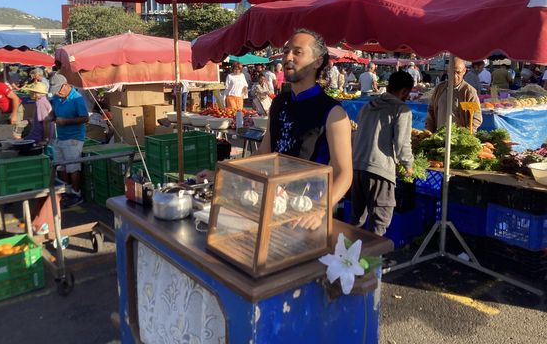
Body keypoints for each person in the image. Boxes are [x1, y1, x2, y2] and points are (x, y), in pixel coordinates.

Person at [198, 29, 353, 230]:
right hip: (275, 201)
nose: (288, 57)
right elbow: (264, 153)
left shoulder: (334, 112)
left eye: (298, 52)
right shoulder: (279, 102)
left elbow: (344, 173)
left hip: (309, 211)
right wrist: (222, 175)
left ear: (317, 61)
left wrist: (319, 208)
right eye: (286, 50)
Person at [350, 71, 415, 236]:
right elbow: (402, 143)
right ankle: (372, 260)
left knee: (356, 220)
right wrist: (408, 165)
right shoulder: (401, 109)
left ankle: (347, 258)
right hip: (380, 171)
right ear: (404, 91)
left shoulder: (368, 106)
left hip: (358, 167)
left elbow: (356, 134)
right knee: (379, 223)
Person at [44, 74, 89, 208]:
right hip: (61, 137)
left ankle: (76, 193)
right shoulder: (57, 98)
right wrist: (50, 117)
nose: (57, 93)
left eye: (59, 89)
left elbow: (85, 118)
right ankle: (67, 191)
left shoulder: (77, 99)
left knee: (73, 167)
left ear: (66, 85)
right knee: (61, 166)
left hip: (74, 138)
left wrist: (66, 121)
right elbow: (54, 112)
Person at [426, 57, 482, 132]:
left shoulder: (469, 91)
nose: (455, 76)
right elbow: (431, 110)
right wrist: (429, 131)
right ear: (448, 71)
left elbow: (476, 117)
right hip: (438, 136)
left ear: (464, 71)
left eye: (458, 72)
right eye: (452, 72)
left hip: (459, 138)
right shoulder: (440, 88)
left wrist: (467, 134)